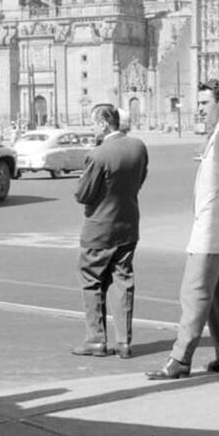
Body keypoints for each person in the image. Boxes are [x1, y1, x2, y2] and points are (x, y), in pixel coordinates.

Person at [147, 79, 219, 379]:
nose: (200, 109)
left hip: (214, 230)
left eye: (205, 103)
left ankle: (180, 359)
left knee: (194, 295)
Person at [71, 103, 148, 359]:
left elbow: (84, 195)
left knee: (92, 282)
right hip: (128, 224)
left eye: (94, 123)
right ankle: (124, 342)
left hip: (99, 228)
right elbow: (140, 180)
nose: (93, 128)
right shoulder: (138, 147)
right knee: (123, 281)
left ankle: (96, 340)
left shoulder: (98, 155)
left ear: (104, 123)